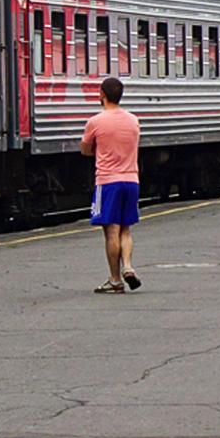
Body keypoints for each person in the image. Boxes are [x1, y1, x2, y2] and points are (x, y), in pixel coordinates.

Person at [80, 76, 141, 294]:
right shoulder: (133, 120)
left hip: (108, 182)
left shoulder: (95, 121)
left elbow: (85, 150)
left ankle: (115, 279)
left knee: (111, 230)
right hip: (132, 181)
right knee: (126, 228)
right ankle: (129, 266)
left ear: (102, 95)